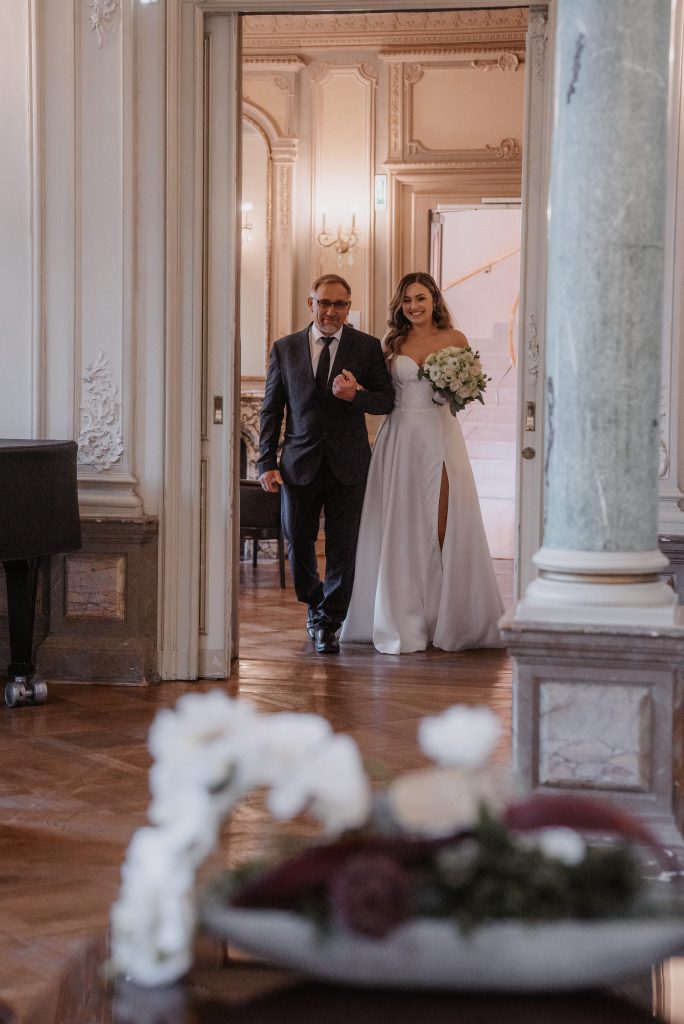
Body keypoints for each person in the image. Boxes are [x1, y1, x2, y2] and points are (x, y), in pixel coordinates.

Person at [340, 271, 504, 654]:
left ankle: (446, 617)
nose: (413, 307)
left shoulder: (455, 340)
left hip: (442, 437)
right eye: (407, 301)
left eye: (420, 299)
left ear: (434, 301)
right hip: (400, 440)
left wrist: (456, 390)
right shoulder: (392, 343)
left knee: (444, 524)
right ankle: (403, 616)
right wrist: (356, 391)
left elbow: (468, 389)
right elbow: (382, 395)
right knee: (402, 526)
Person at [257, 274, 394, 654]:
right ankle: (315, 601)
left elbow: (386, 401)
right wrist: (265, 461)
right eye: (324, 303)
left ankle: (329, 621)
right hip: (298, 464)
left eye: (339, 304)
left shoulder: (366, 348)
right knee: (298, 543)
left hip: (348, 465)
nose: (331, 311)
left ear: (349, 307)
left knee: (343, 547)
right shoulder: (285, 348)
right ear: (310, 303)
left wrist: (356, 395)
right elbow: (271, 410)